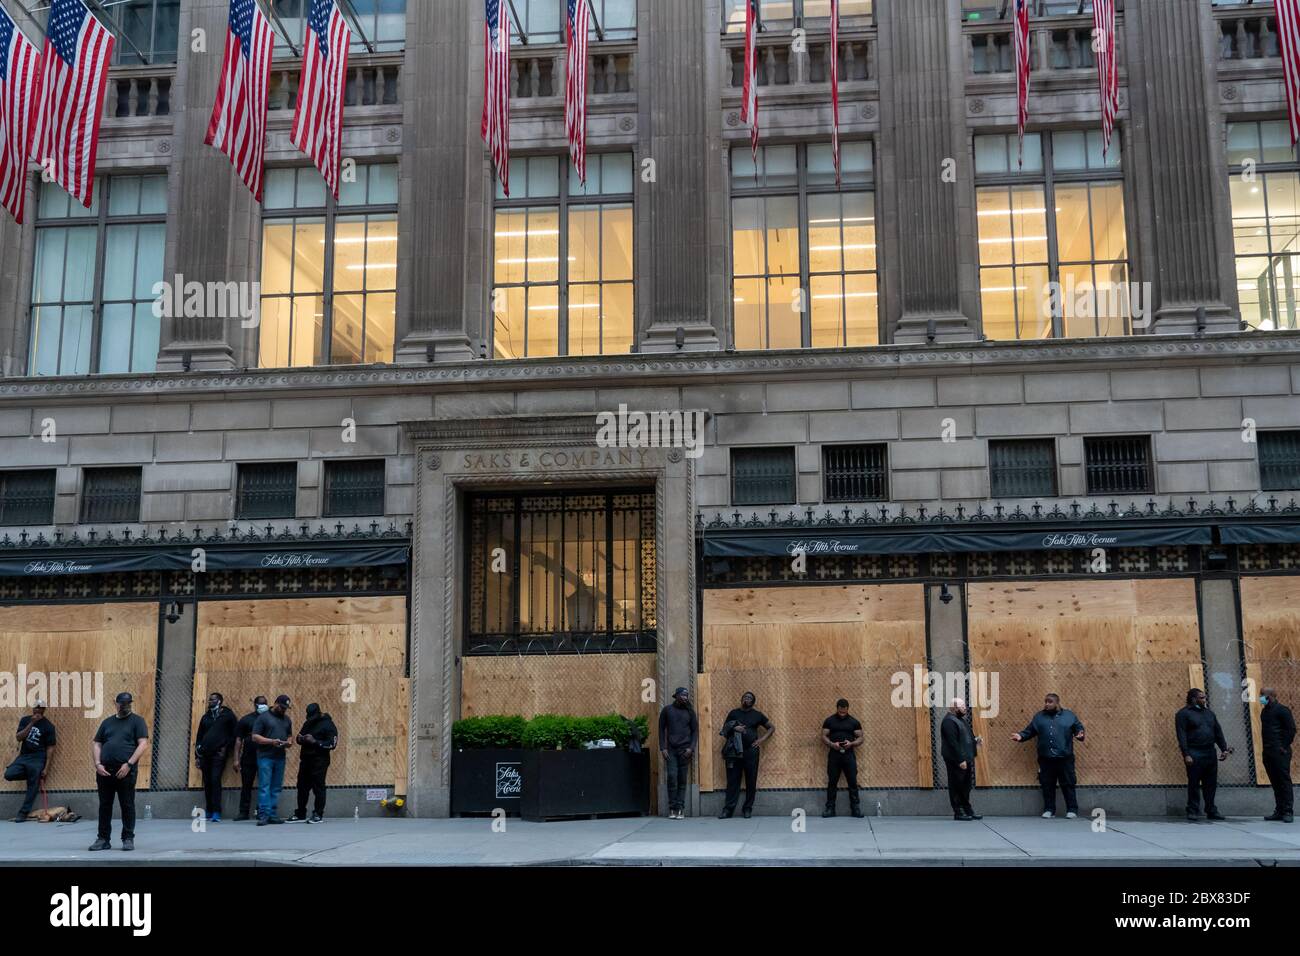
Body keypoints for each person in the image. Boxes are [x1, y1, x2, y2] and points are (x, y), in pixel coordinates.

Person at [89, 692, 149, 851]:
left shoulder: (138, 721)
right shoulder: (107, 722)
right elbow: (97, 744)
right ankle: (103, 839)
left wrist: (129, 764)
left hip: (125, 771)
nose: (125, 706)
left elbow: (143, 744)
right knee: (105, 806)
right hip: (104, 771)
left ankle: (128, 838)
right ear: (115, 703)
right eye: (122, 703)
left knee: (127, 805)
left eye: (128, 703)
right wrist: (97, 764)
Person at [1011, 693, 1085, 819]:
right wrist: (1021, 736)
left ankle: (1072, 809)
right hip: (1046, 759)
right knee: (1047, 784)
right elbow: (1029, 731)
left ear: (1057, 703)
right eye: (1045, 701)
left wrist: (1080, 734)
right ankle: (1049, 809)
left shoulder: (1069, 716)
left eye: (1050, 702)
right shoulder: (1039, 717)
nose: (1046, 704)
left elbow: (1079, 728)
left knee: (1068, 783)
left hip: (1065, 758)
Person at [1175, 688, 1232, 822]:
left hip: (1209, 752)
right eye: (1201, 698)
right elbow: (1181, 735)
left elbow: (1218, 731)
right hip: (1194, 752)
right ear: (1193, 699)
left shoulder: (1209, 714)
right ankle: (1193, 810)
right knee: (1194, 783)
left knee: (1210, 783)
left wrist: (1223, 749)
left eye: (1204, 697)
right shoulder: (1183, 714)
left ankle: (1211, 810)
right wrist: (1186, 754)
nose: (1204, 700)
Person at [718, 691, 774, 819]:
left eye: (749, 698)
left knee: (751, 780)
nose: (746, 699)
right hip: (734, 752)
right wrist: (734, 728)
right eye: (745, 697)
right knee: (732, 781)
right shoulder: (733, 713)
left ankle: (747, 809)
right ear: (741, 699)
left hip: (751, 752)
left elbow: (771, 728)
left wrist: (761, 740)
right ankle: (728, 810)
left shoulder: (757, 715)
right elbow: (724, 730)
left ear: (753, 702)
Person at [5, 700, 56, 822]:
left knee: (33, 785)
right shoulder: (25, 720)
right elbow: (19, 737)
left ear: (44, 709)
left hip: (38, 758)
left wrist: (46, 768)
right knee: (9, 774)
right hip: (24, 756)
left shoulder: (49, 726)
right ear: (33, 708)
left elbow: (50, 748)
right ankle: (33, 776)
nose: (38, 710)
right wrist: (32, 722)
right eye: (36, 707)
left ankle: (23, 813)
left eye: (40, 708)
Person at [289, 703, 338, 824]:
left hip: (320, 760)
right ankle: (300, 813)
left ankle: (318, 813)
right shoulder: (308, 723)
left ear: (319, 713)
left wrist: (315, 741)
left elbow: (332, 744)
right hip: (306, 759)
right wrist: (300, 739)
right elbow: (299, 736)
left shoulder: (328, 724)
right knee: (302, 787)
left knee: (318, 787)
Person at [251, 694, 294, 826]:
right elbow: (255, 737)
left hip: (280, 757)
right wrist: (271, 742)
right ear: (275, 704)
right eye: (281, 707)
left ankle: (273, 814)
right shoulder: (263, 718)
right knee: (265, 786)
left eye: (285, 708)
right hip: (266, 756)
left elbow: (290, 735)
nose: (283, 710)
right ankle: (264, 814)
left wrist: (288, 743)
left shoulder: (286, 719)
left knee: (276, 787)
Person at [194, 692, 237, 822]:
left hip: (218, 754)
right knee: (207, 782)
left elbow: (234, 734)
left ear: (220, 701)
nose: (210, 701)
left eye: (213, 699)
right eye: (210, 700)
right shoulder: (206, 717)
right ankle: (209, 810)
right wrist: (197, 755)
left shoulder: (227, 715)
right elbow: (199, 736)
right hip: (205, 755)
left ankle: (217, 812)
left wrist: (226, 748)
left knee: (215, 779)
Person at [658, 686, 698, 820]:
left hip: (685, 751)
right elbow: (661, 729)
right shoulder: (667, 710)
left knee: (682, 780)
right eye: (683, 695)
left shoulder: (690, 712)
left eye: (687, 696)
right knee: (672, 778)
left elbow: (695, 732)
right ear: (676, 696)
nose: (685, 697)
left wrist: (691, 748)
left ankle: (680, 809)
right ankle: (672, 808)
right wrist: (663, 748)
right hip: (671, 750)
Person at [821, 698, 864, 818]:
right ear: (837, 708)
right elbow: (823, 736)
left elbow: (861, 738)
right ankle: (830, 809)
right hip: (834, 755)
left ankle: (855, 809)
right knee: (832, 782)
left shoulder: (854, 722)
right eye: (840, 712)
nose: (842, 714)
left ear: (847, 709)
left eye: (844, 712)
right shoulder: (829, 721)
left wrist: (852, 743)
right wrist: (831, 744)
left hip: (849, 755)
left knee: (852, 782)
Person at [941, 697, 981, 821]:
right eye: (962, 706)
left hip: (965, 758)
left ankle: (967, 808)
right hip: (956, 760)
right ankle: (958, 811)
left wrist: (975, 741)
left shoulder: (960, 720)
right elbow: (952, 743)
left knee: (966, 785)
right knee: (956, 784)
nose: (965, 708)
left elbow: (965, 737)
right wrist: (960, 760)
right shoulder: (948, 722)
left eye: (964, 706)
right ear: (954, 708)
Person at [1260, 687, 1295, 823]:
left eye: (1262, 695)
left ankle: (1287, 811)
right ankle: (1279, 810)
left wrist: (1283, 746)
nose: (1260, 697)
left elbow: (1291, 729)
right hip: (1268, 751)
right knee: (1275, 782)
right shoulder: (1265, 712)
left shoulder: (1282, 710)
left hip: (1280, 751)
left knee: (1283, 781)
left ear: (1270, 696)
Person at [233, 696, 267, 821]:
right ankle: (243, 812)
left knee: (264, 785)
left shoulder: (269, 719)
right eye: (260, 704)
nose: (263, 706)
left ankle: (261, 811)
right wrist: (236, 759)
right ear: (255, 705)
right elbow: (238, 740)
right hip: (248, 758)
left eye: (265, 703)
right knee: (246, 785)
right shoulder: (246, 720)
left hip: (265, 757)